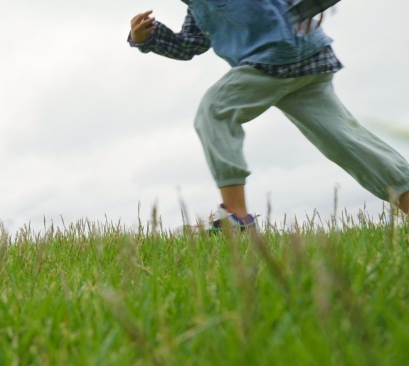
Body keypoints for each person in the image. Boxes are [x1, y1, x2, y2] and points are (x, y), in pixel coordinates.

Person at [128, 0, 409, 230]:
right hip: (307, 62)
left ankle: (237, 216)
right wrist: (145, 37)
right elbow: (189, 44)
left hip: (277, 57)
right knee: (346, 142)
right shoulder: (197, 6)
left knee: (214, 111)